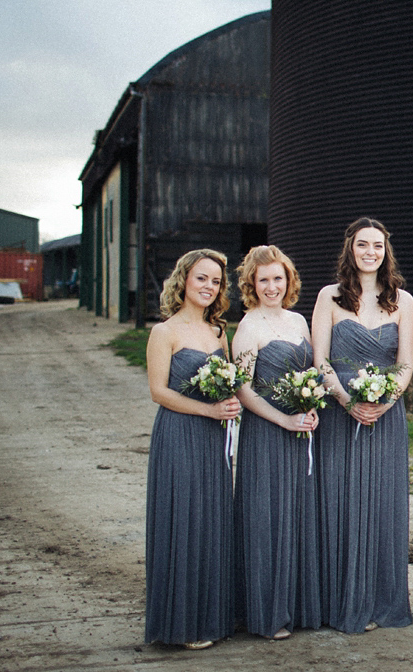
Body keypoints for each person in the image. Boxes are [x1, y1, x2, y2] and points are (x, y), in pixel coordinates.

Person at [311, 217, 413, 632]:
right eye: (362, 246)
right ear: (350, 250)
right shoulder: (329, 297)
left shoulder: (403, 301)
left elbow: (406, 362)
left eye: (377, 246)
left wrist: (385, 401)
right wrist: (345, 398)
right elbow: (320, 359)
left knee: (383, 505)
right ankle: (341, 600)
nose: (370, 252)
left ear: (386, 251)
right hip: (341, 416)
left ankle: (380, 601)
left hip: (386, 418)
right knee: (340, 501)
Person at [144, 249, 240, 649]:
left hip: (214, 438)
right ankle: (181, 622)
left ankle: (211, 616)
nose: (209, 287)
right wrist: (208, 408)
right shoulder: (163, 332)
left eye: (216, 281)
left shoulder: (220, 333)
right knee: (183, 520)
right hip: (180, 434)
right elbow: (158, 392)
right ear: (183, 280)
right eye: (202, 278)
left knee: (212, 519)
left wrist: (231, 405)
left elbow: (232, 380)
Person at [231, 245, 321, 640]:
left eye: (278, 278)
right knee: (268, 517)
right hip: (267, 432)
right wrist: (284, 418)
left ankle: (297, 606)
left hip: (301, 430)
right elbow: (245, 390)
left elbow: (314, 371)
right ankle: (267, 611)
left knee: (299, 515)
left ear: (289, 280)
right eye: (263, 279)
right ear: (252, 283)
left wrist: (311, 407)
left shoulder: (300, 321)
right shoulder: (249, 326)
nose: (272, 286)